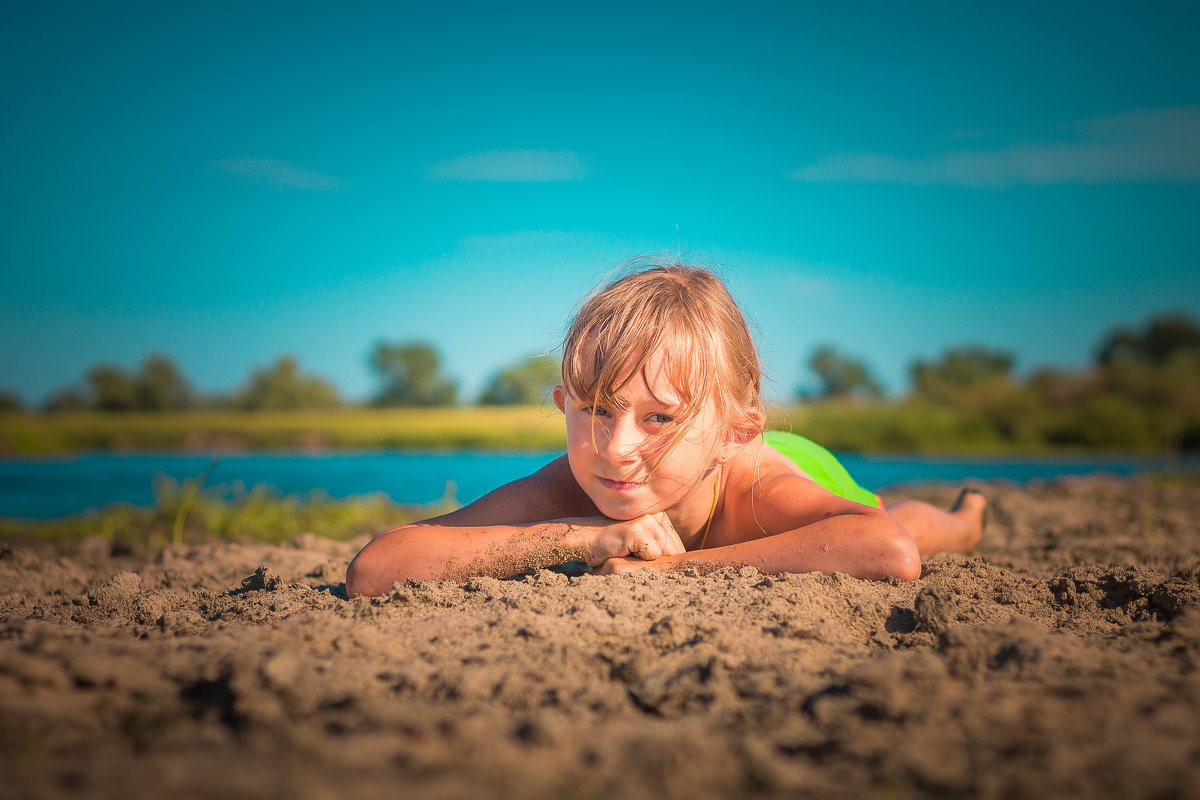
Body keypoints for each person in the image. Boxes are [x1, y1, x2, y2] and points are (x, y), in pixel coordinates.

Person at [346, 259, 986, 597]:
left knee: (918, 526)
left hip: (796, 460)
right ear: (562, 403)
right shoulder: (564, 495)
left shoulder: (758, 488)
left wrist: (669, 573)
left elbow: (887, 551)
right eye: (595, 408)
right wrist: (581, 538)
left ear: (734, 431)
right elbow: (376, 569)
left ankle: (969, 512)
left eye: (659, 418)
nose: (615, 449)